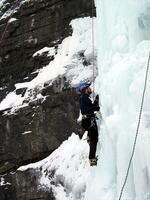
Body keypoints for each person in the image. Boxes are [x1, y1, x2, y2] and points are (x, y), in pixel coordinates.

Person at [79, 81, 100, 166]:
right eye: (88, 88)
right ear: (85, 89)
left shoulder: (84, 98)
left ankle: (88, 137)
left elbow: (90, 107)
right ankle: (92, 160)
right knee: (94, 140)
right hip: (89, 120)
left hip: (87, 120)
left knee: (92, 137)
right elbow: (89, 109)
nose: (90, 88)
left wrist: (96, 101)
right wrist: (96, 106)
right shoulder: (84, 98)